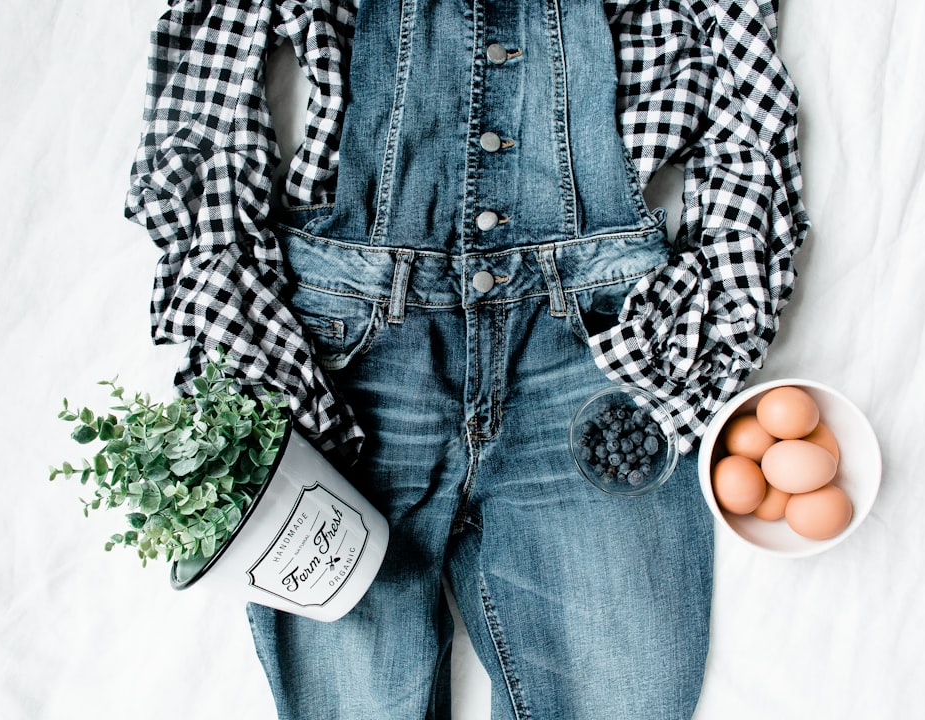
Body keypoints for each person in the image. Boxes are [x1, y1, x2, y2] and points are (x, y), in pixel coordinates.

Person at [125, 0, 808, 717]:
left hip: (588, 342)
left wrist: (709, 300)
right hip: (354, 354)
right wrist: (242, 313)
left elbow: (747, 107)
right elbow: (205, 90)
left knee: (616, 689)